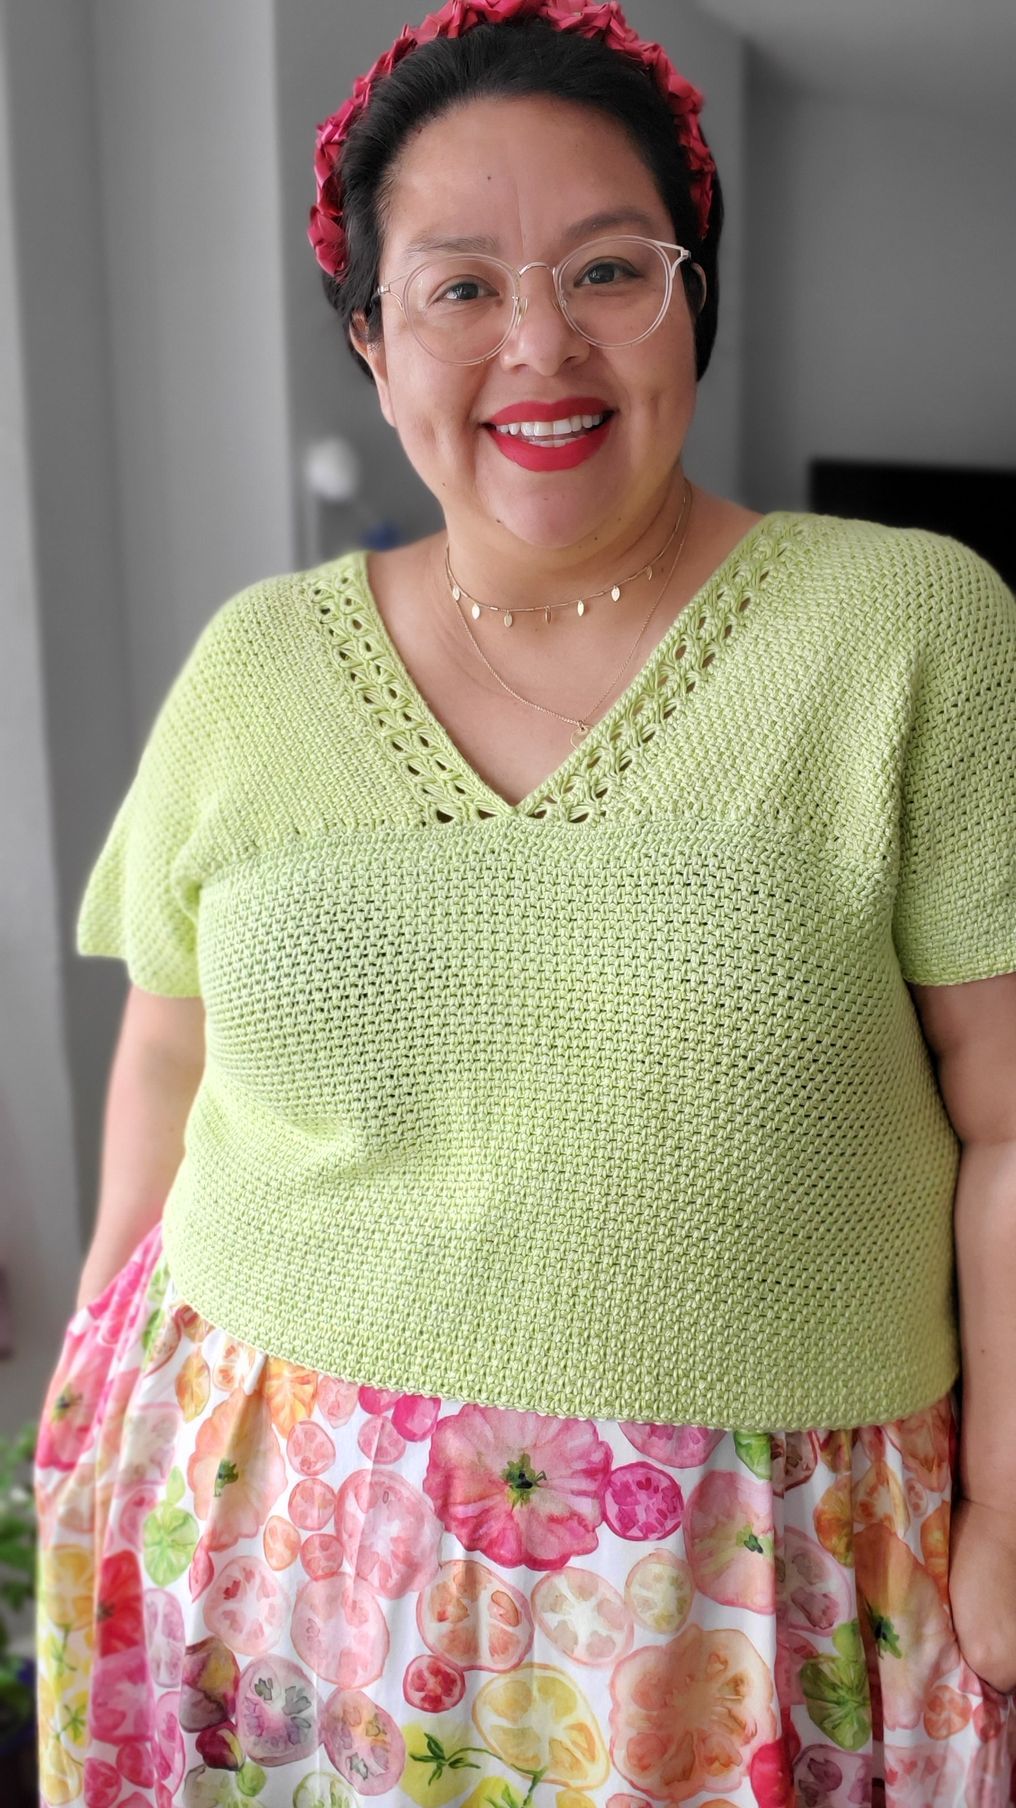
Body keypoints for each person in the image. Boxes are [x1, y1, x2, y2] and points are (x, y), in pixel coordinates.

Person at [32, 2, 1016, 1803]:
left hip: (734, 1611)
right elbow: (169, 1042)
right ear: (373, 341)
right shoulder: (256, 668)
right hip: (263, 1561)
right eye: (460, 286)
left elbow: (1012, 1124)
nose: (540, 344)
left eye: (608, 268)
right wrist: (94, 1371)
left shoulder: (910, 632)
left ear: (692, 297)